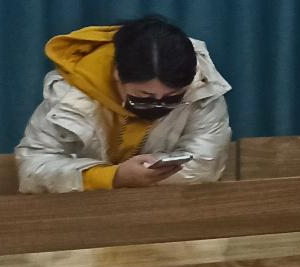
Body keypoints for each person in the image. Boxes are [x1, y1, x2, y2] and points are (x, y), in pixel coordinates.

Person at [14, 15, 234, 193]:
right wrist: (114, 177)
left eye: (172, 97)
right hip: (81, 215)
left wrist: (144, 174)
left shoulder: (202, 87)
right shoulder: (70, 94)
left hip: (166, 212)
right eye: (145, 96)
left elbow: (205, 164)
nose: (158, 104)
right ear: (117, 74)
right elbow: (33, 168)